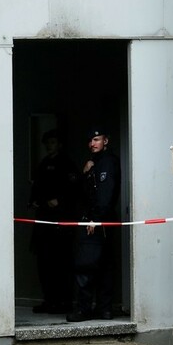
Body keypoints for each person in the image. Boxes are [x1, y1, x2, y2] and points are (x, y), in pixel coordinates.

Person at [66, 125, 121, 322]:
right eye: (90, 140)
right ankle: (104, 309)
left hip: (97, 222)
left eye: (96, 139)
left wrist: (96, 219)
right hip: (101, 221)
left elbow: (105, 194)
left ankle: (84, 309)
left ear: (105, 141)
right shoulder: (95, 162)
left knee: (86, 265)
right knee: (104, 265)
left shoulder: (107, 162)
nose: (92, 143)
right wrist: (85, 172)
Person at [28, 129, 77, 314]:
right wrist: (34, 201)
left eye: (53, 142)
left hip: (60, 223)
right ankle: (49, 300)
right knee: (44, 262)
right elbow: (36, 188)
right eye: (47, 143)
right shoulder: (43, 164)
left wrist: (60, 200)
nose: (49, 146)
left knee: (61, 262)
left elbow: (73, 190)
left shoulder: (67, 164)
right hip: (43, 221)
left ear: (60, 144)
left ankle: (64, 302)